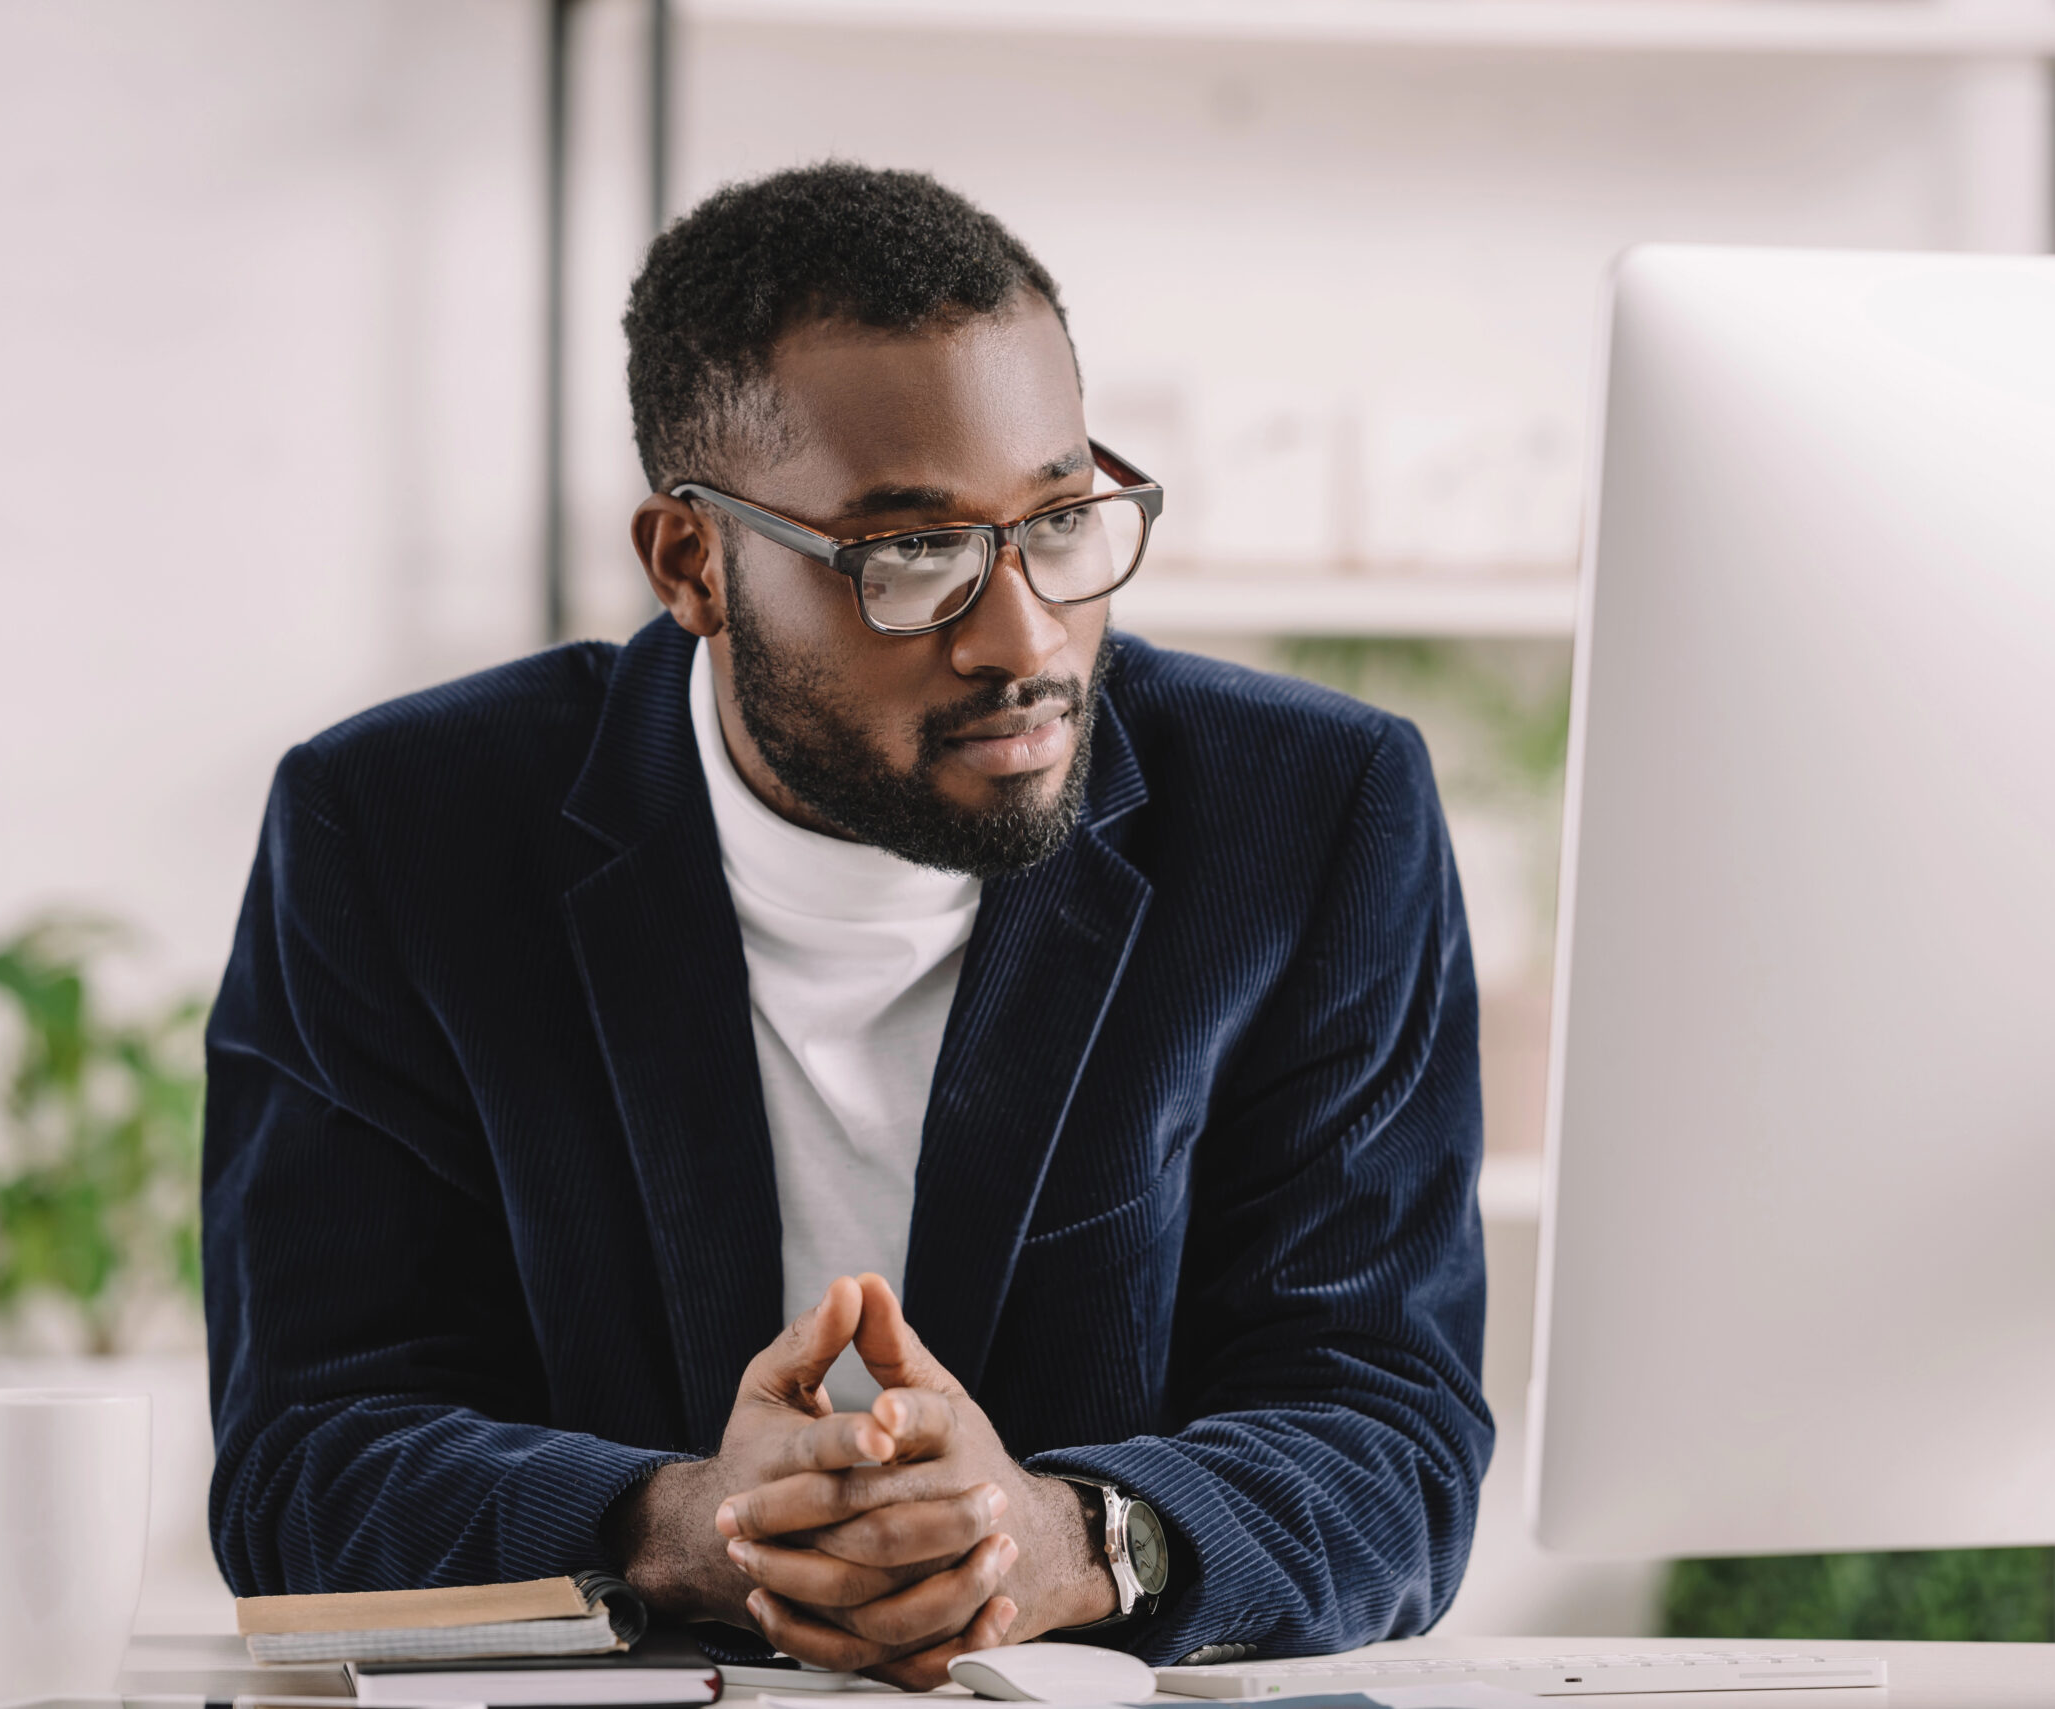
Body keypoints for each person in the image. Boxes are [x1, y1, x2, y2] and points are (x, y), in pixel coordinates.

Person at [203, 162, 1491, 1685]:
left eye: (1061, 519)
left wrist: (1063, 1538)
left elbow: (1390, 1435)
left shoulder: (1311, 813)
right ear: (693, 564)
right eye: (913, 555)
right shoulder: (397, 828)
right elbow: (306, 1458)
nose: (1025, 636)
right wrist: (687, 1527)